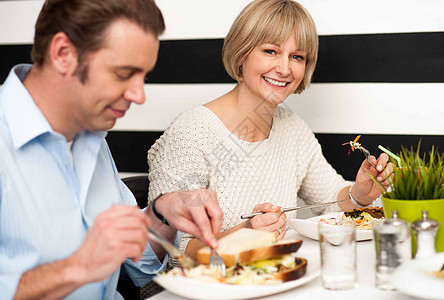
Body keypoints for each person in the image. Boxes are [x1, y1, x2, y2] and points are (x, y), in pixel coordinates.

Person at [0, 0, 223, 299]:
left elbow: (140, 268)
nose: (139, 95)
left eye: (143, 75)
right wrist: (78, 266)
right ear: (63, 54)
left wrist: (162, 216)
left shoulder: (90, 132)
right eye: (122, 73)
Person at [147, 0, 393, 258]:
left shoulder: (292, 128)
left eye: (297, 57)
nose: (285, 69)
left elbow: (330, 198)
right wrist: (245, 232)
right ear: (241, 53)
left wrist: (360, 194)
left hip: (271, 281)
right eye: (271, 51)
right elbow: (169, 255)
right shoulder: (192, 133)